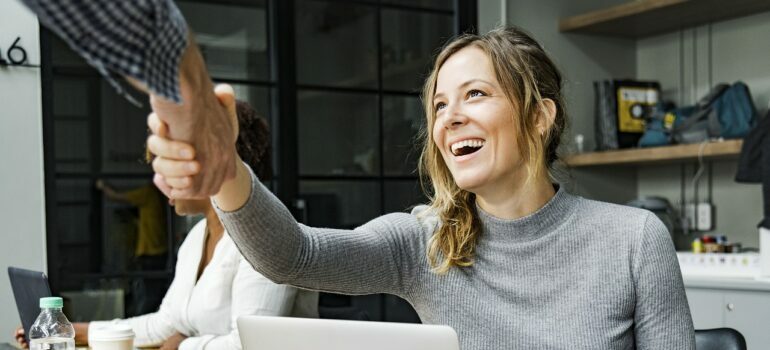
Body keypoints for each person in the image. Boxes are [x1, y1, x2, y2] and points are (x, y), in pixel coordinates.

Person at [147, 27, 695, 349]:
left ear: (538, 117)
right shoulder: (424, 241)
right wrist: (225, 169)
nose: (449, 118)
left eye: (475, 94)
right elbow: (293, 254)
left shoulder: (634, 239)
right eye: (439, 105)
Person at [16, 97, 317, 350]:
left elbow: (250, 344)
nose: (161, 179)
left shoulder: (266, 235)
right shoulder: (197, 236)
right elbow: (165, 325)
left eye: (171, 162)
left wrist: (184, 344)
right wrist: (71, 331)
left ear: (213, 162)